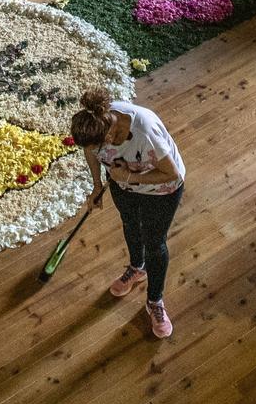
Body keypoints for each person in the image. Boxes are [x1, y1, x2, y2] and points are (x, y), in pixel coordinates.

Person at [71, 88, 184, 340]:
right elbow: (90, 150)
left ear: (110, 134)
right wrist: (97, 186)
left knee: (154, 243)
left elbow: (172, 173)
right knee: (130, 223)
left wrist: (129, 176)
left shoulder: (144, 132)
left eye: (98, 145)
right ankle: (137, 267)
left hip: (161, 190)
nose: (94, 150)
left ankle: (154, 301)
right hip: (124, 185)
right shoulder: (95, 125)